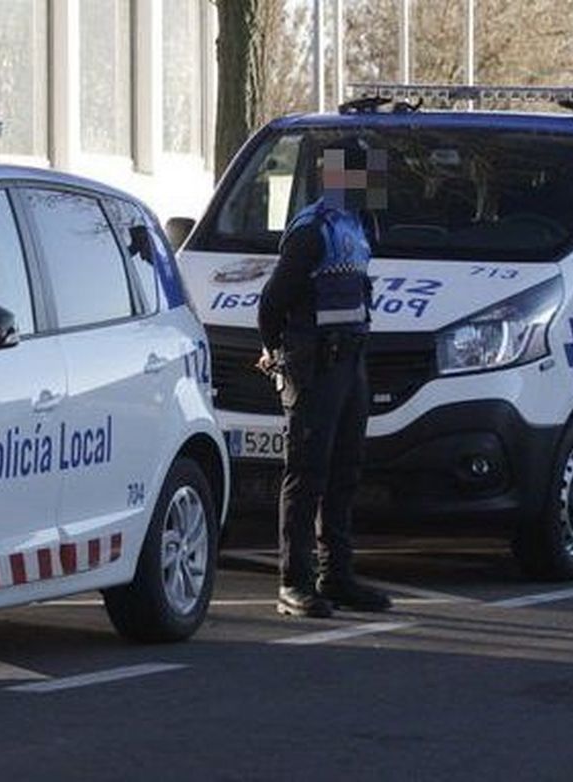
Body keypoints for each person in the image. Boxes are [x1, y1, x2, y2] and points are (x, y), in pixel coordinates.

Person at [256, 137, 393, 618]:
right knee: (307, 473)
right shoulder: (312, 231)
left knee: (345, 471)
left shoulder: (356, 225)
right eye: (365, 174)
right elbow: (271, 304)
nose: (375, 185)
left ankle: (337, 574)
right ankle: (293, 583)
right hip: (315, 365)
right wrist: (278, 355)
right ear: (341, 177)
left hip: (350, 361)